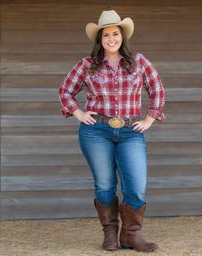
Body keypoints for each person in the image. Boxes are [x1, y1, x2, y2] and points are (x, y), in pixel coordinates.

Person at [58, 10, 165, 252]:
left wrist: (149, 119)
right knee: (104, 185)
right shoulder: (86, 65)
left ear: (122, 36)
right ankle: (110, 235)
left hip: (130, 132)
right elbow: (65, 90)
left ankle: (130, 235)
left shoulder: (139, 62)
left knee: (136, 185)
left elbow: (157, 89)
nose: (111, 39)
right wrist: (79, 113)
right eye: (105, 35)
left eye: (115, 34)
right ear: (99, 39)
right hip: (96, 132)